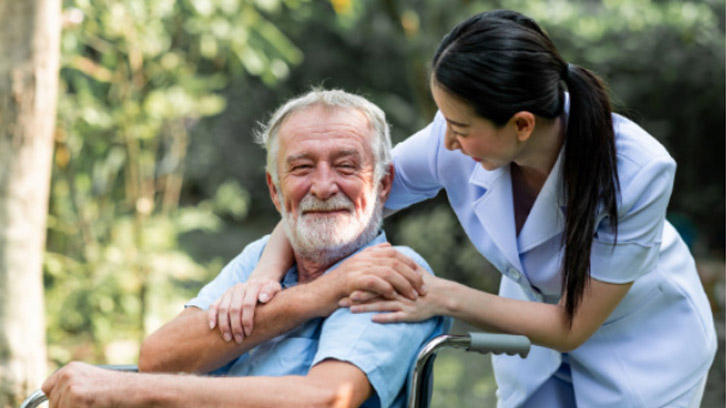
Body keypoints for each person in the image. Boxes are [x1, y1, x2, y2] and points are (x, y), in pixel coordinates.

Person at [235, 10, 718, 408]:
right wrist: (265, 273)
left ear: (522, 125)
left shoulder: (638, 172)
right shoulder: (453, 138)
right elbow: (338, 199)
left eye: (460, 126)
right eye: (443, 118)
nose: (445, 140)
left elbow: (572, 326)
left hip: (639, 344)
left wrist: (439, 295)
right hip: (531, 336)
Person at [41, 89, 450, 408]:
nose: (324, 187)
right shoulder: (261, 259)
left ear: (382, 184)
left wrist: (126, 393)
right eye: (302, 168)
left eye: (346, 166)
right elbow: (160, 356)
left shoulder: (392, 270)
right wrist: (316, 296)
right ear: (275, 190)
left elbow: (327, 399)